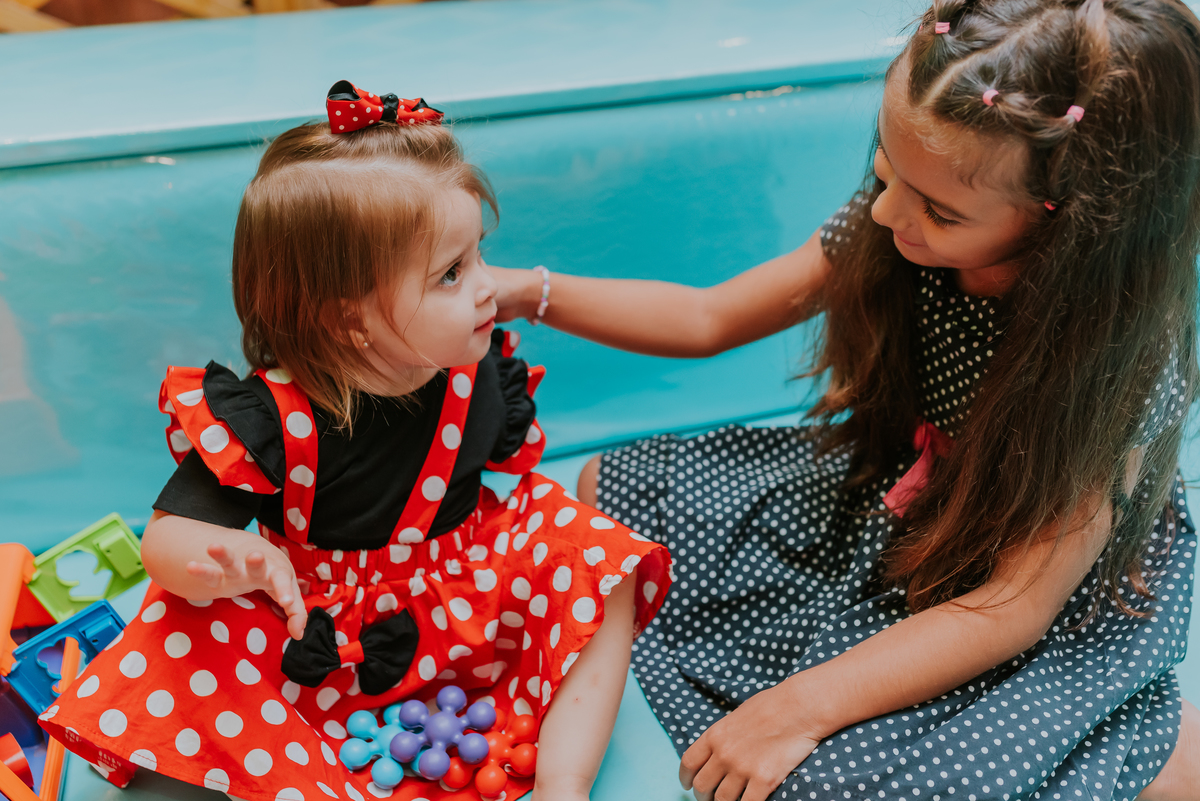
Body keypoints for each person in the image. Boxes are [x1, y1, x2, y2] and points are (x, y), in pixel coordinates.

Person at [492, 1, 1200, 798]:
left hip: (1017, 576)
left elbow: (1010, 604)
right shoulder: (902, 214)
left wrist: (799, 707)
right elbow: (708, 317)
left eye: (938, 209)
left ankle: (1154, 747)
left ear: (1067, 225)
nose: (890, 212)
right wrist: (527, 290)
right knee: (617, 489)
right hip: (908, 499)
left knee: (823, 781)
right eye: (887, 174)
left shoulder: (1112, 364)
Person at [39, 81, 671, 801]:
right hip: (312, 638)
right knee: (179, 618)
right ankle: (306, 779)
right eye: (452, 273)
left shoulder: (475, 373)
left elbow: (520, 502)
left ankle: (564, 779)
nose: (490, 288)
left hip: (459, 608)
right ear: (349, 321)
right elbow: (166, 539)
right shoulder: (269, 417)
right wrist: (222, 559)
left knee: (592, 548)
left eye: (480, 255)